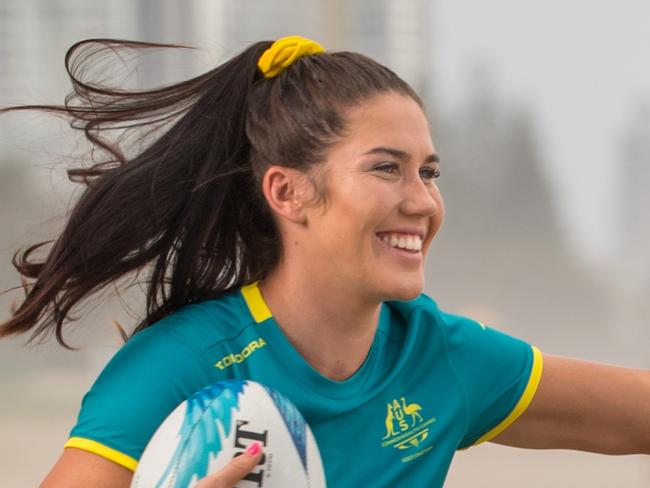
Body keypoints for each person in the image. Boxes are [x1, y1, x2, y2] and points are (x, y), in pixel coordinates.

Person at [1, 35, 648, 488]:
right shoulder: (183, 366)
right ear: (288, 191)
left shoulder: (437, 358)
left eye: (430, 172)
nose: (422, 201)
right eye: (386, 168)